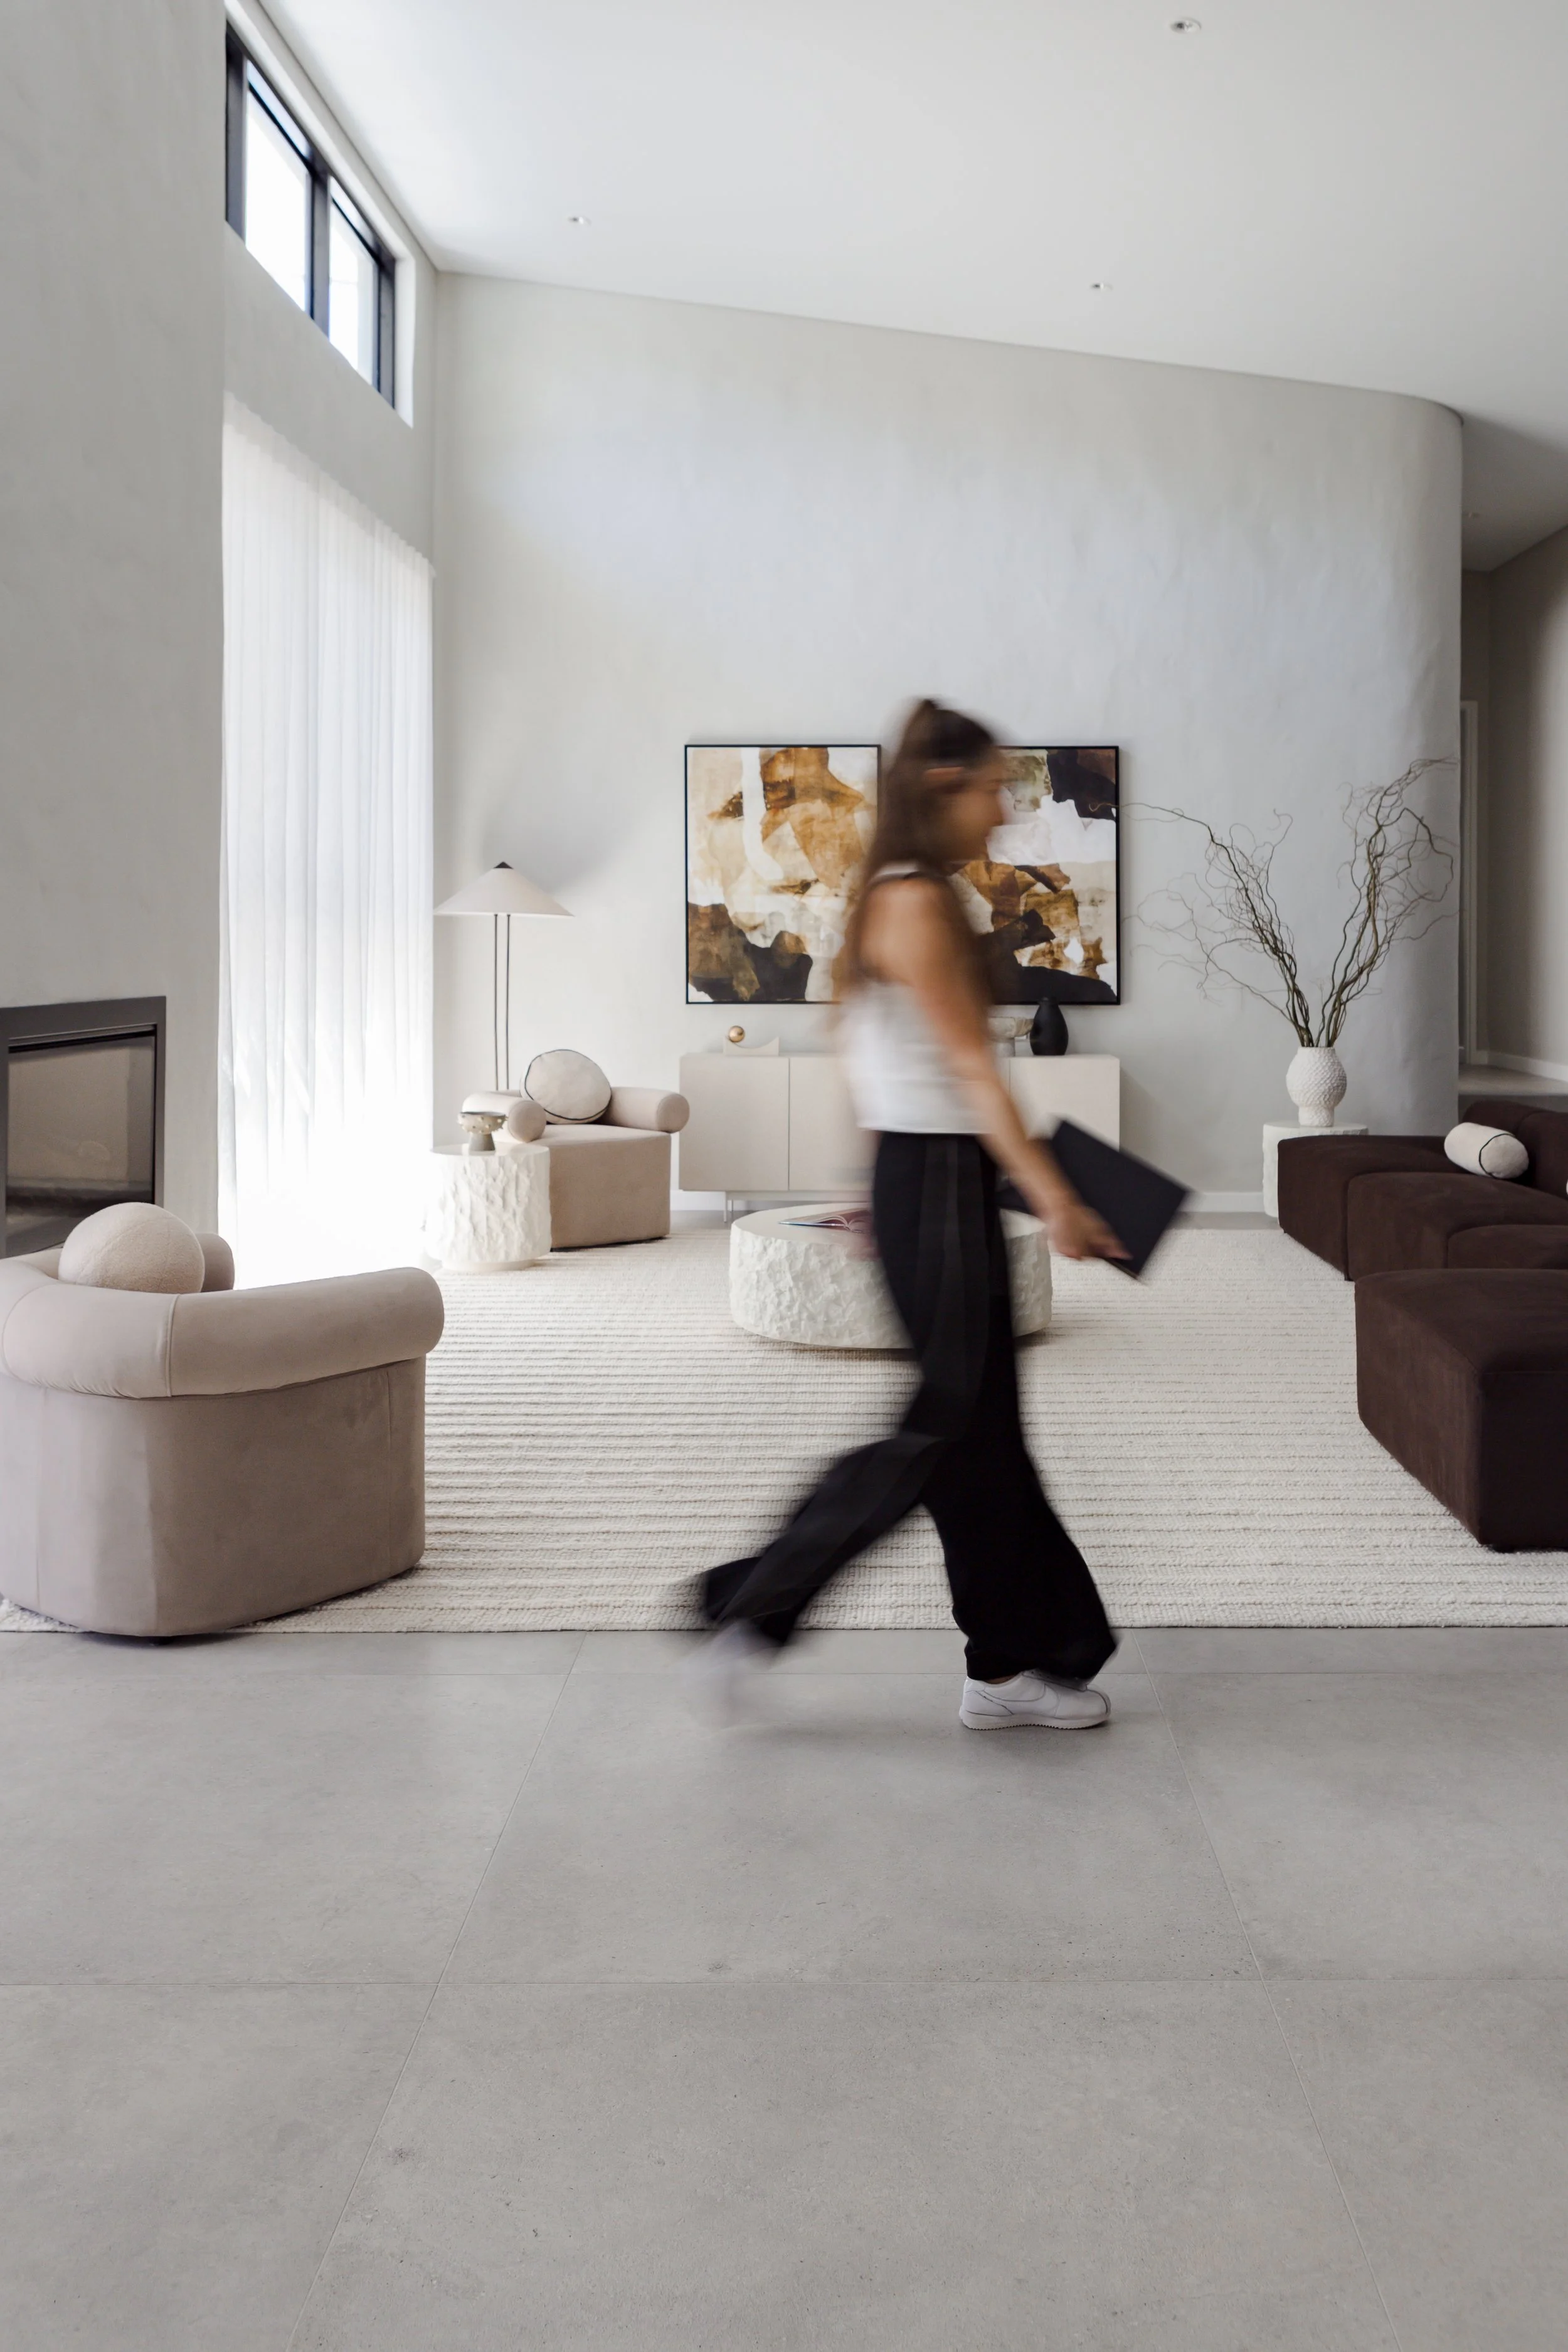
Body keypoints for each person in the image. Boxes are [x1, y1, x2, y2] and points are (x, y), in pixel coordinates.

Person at [694, 699, 1125, 1729]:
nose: (1004, 809)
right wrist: (1058, 1198)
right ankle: (750, 1608)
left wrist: (872, 1176)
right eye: (992, 788)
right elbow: (975, 1075)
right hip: (936, 1178)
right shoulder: (919, 903)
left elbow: (872, 1057)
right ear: (943, 786)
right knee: (942, 1427)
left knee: (985, 1441)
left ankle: (1005, 1666)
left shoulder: (899, 897)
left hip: (926, 1177)